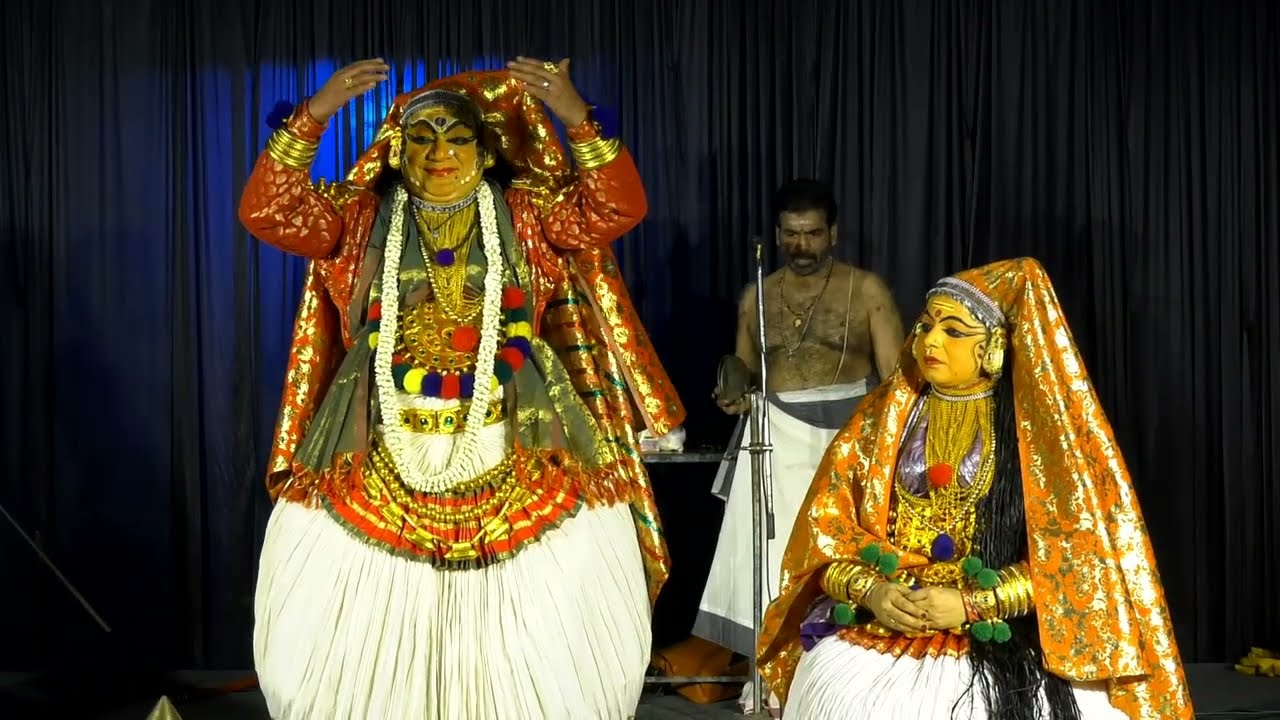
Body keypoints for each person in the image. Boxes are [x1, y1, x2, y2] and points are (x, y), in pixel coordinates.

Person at [237, 56, 685, 719]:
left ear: (487, 147)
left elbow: (616, 206)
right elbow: (267, 211)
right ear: (397, 148)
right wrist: (316, 113)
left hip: (521, 435)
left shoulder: (529, 215)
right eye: (422, 137)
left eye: (457, 137)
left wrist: (573, 115)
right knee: (324, 634)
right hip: (375, 442)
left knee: (553, 629)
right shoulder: (357, 219)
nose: (439, 152)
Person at [756, 258, 1193, 719]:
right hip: (886, 619)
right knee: (837, 686)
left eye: (954, 331)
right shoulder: (878, 426)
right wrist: (874, 593)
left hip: (1006, 632)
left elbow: (1078, 570)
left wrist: (972, 602)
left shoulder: (1039, 440)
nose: (930, 340)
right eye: (925, 326)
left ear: (994, 346)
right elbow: (825, 539)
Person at [668, 179, 903, 711]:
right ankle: (771, 674)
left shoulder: (866, 290)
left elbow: (895, 379)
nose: (803, 246)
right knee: (768, 553)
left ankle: (840, 672)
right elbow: (745, 371)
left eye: (813, 234)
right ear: (777, 235)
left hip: (846, 434)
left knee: (840, 555)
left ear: (833, 234)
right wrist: (732, 393)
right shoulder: (756, 295)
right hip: (773, 433)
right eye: (792, 235)